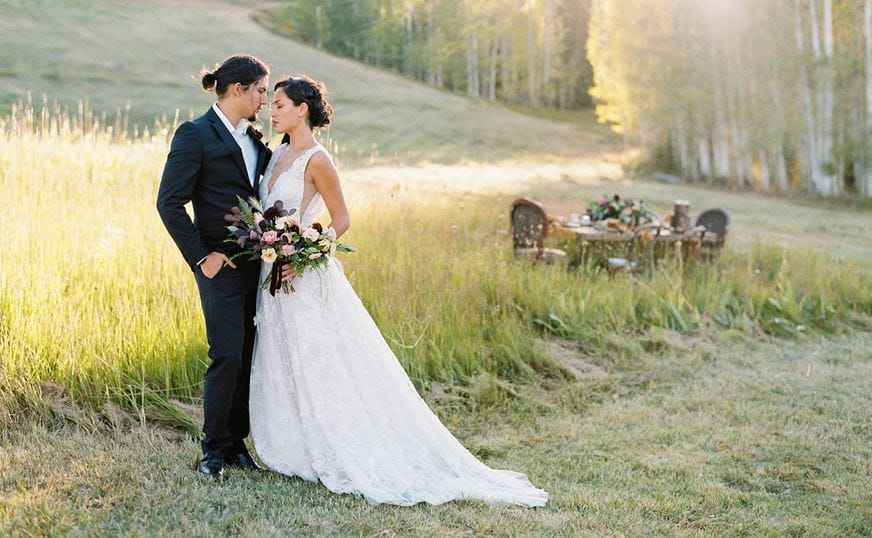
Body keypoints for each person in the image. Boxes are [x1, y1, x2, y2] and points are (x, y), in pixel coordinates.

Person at [248, 75, 548, 507]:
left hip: (305, 275)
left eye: (279, 103)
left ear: (302, 110)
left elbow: (341, 220)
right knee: (285, 357)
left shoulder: (317, 159)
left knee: (324, 362)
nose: (271, 110)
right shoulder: (276, 154)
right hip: (272, 273)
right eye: (271, 103)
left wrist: (303, 252)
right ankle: (296, 444)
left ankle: (341, 445)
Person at [157, 54, 290, 480]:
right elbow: (169, 203)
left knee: (250, 354)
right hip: (219, 264)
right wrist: (201, 257)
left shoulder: (253, 140)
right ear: (238, 89)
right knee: (226, 354)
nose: (264, 101)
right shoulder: (194, 134)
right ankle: (212, 451)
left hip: (260, 263)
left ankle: (236, 445)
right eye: (260, 92)